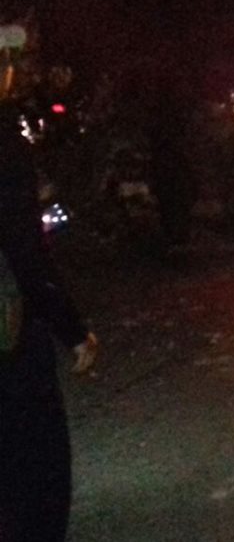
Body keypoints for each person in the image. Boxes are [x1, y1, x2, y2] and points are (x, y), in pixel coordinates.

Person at [0, 99, 99, 540]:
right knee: (33, 463)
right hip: (10, 340)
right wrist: (72, 331)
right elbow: (26, 253)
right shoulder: (5, 144)